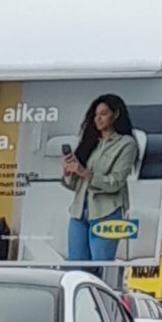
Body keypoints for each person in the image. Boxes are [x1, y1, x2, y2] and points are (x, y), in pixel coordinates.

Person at [63, 94, 140, 263]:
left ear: (116, 114)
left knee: (100, 266)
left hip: (107, 213)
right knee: (75, 267)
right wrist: (69, 174)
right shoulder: (90, 142)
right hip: (78, 212)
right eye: (96, 115)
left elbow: (116, 182)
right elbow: (74, 185)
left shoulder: (127, 144)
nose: (98, 119)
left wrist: (85, 172)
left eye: (103, 113)